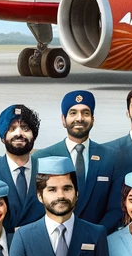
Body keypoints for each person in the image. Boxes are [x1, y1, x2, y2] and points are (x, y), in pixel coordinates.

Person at [35, 90, 123, 234]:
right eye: (73, 113)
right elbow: (38, 204)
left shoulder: (111, 158)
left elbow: (115, 209)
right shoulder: (42, 158)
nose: (79, 118)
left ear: (93, 119)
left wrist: (95, 234)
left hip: (97, 239)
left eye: (86, 113)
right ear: (63, 119)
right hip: (54, 237)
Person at [0, 104, 45, 231]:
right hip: (2, 245)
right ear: (2, 137)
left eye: (25, 128)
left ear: (34, 135)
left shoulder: (46, 169)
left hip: (39, 245)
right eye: (12, 129)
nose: (19, 133)